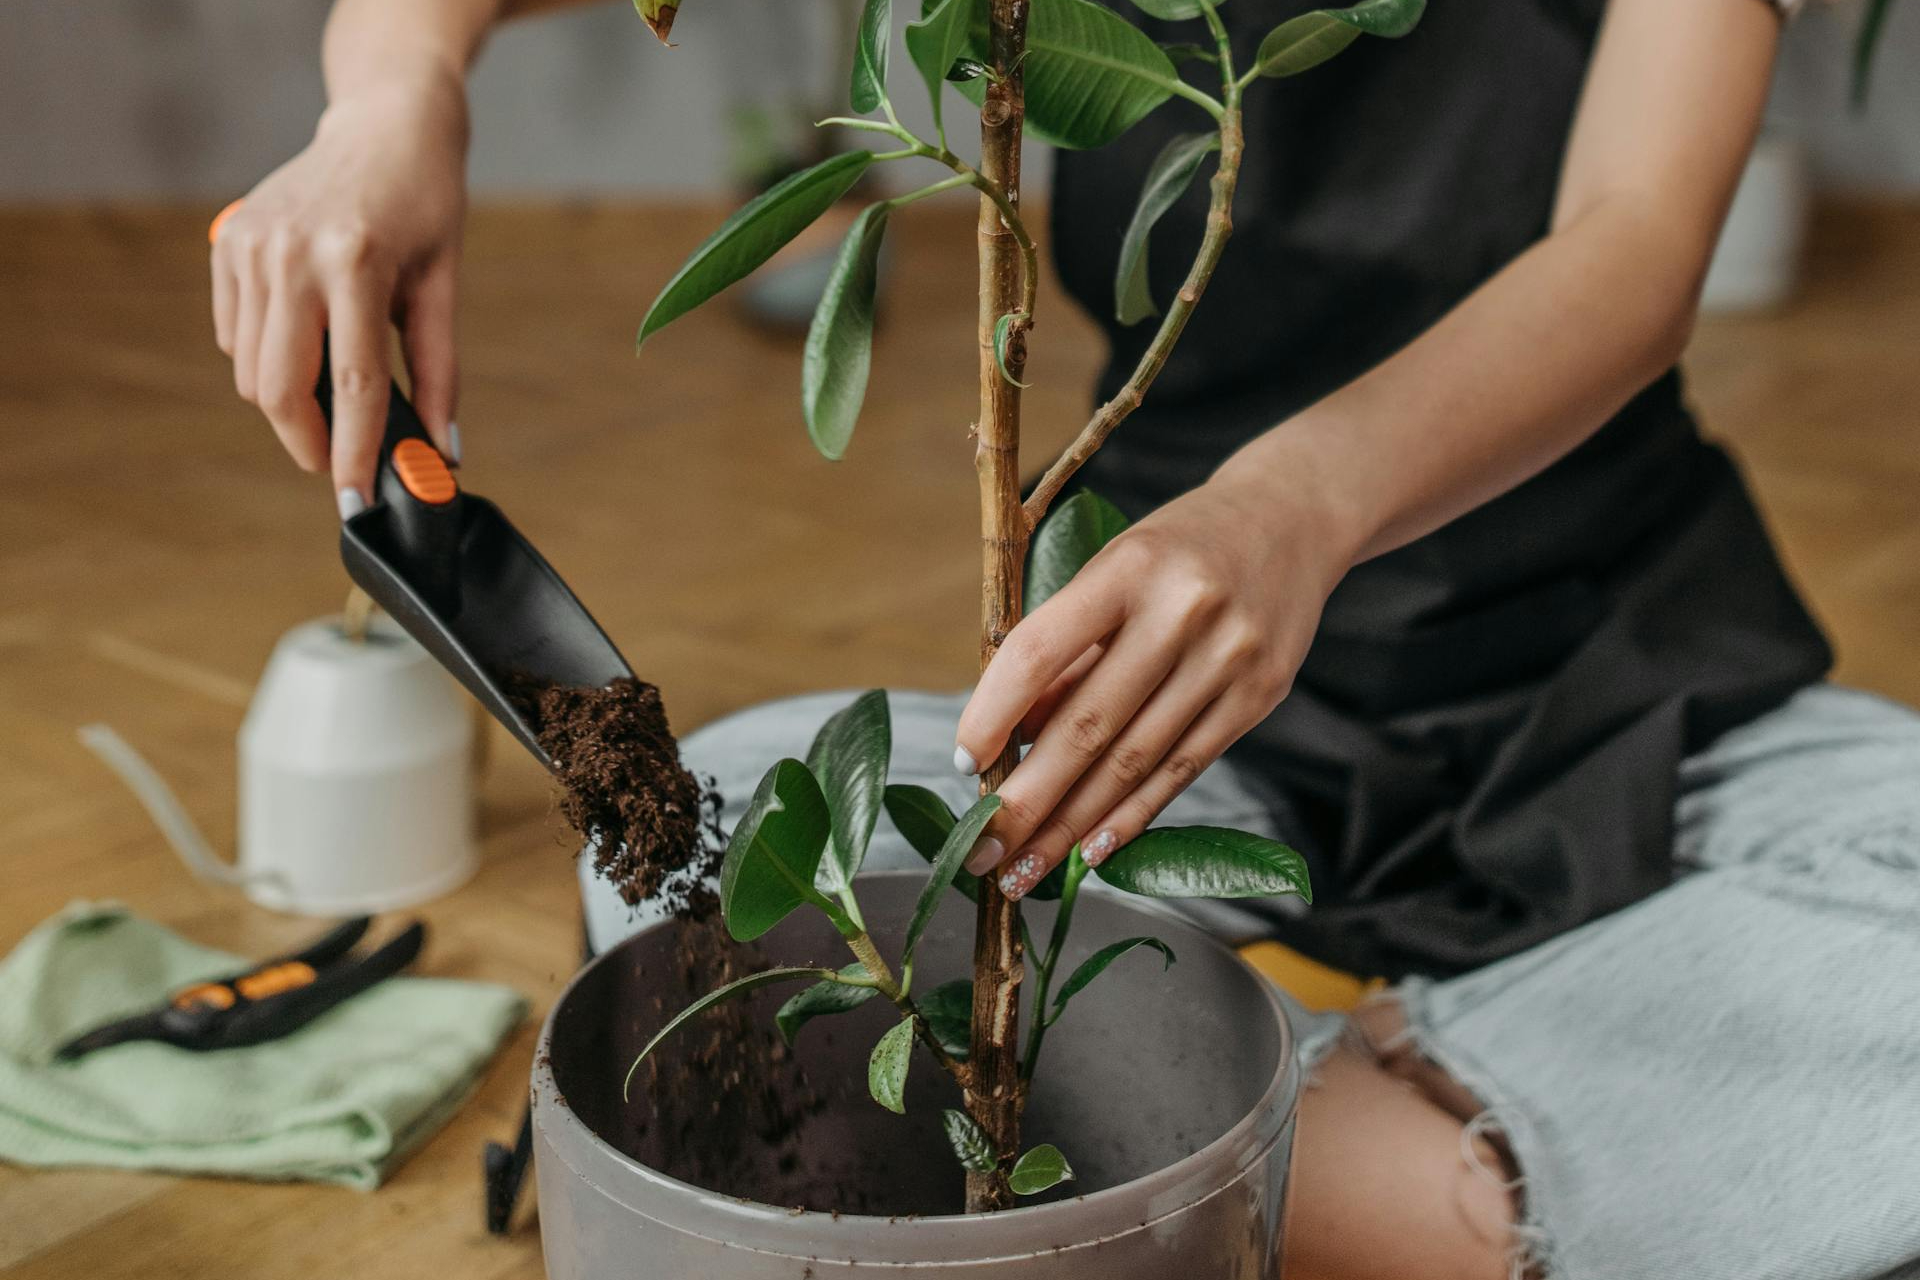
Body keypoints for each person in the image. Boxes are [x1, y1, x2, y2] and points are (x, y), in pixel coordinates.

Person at [213, 0, 1920, 1277]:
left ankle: (1124, 1154)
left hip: (1620, 675)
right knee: (711, 821)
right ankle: (1376, 1155)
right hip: (1158, 719)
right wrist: (392, 89)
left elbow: (1636, 248)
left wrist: (1296, 511)